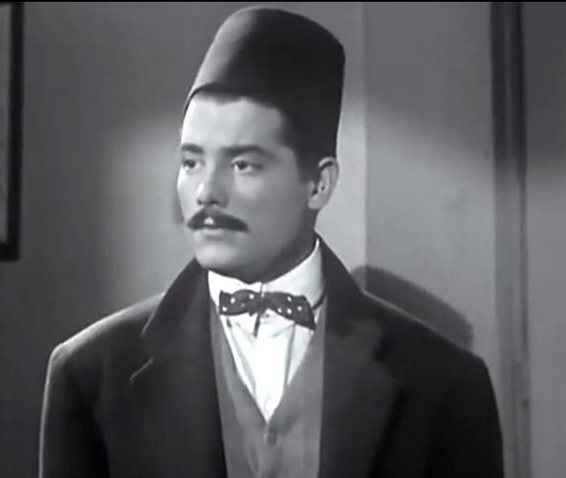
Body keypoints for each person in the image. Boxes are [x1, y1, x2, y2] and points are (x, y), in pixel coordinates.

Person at [39, 7, 503, 478]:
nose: (206, 192)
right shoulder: (90, 375)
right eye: (192, 162)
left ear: (319, 184)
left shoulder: (446, 386)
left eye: (243, 164)